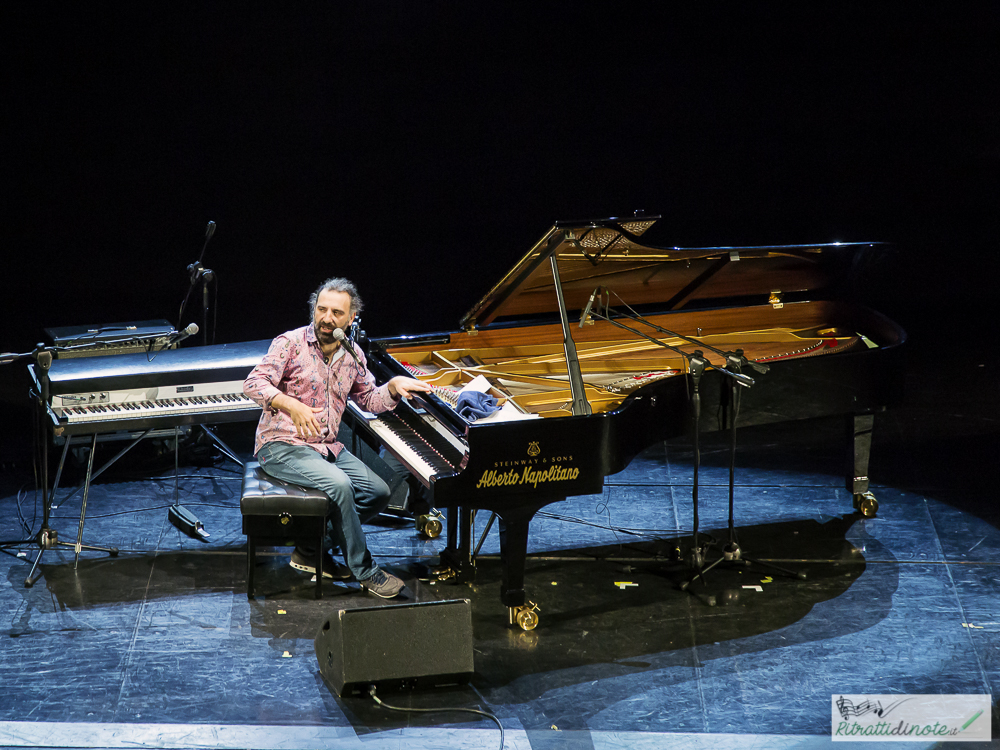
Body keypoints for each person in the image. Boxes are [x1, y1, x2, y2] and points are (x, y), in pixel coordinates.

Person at [243, 277, 431, 598]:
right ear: (314, 310)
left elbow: (370, 398)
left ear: (351, 318)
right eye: (321, 310)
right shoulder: (290, 343)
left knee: (379, 491)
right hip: (282, 445)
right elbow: (253, 384)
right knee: (340, 486)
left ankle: (309, 548)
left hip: (326, 447)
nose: (327, 318)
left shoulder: (352, 354)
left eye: (336, 313)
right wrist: (290, 404)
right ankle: (365, 570)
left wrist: (394, 387)